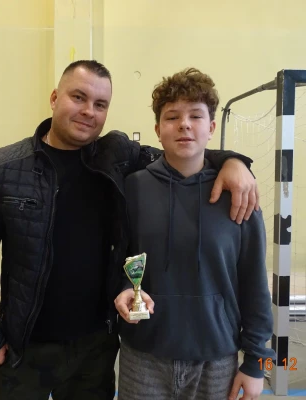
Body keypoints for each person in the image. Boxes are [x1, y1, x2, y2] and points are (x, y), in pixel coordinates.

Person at [0, 60, 259, 400]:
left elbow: (182, 152)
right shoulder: (1, 168)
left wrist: (233, 161)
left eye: (100, 104)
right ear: (55, 98)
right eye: (78, 97)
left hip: (95, 349)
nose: (89, 111)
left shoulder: (117, 157)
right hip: (23, 345)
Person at [115, 68, 275, 400]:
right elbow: (118, 259)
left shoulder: (239, 193)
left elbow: (254, 281)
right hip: (143, 356)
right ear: (158, 130)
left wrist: (257, 361)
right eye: (172, 117)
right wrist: (123, 289)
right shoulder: (133, 188)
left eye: (196, 116)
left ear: (211, 128)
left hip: (217, 358)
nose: (184, 124)